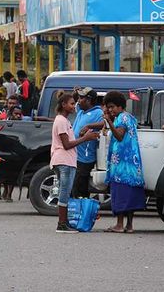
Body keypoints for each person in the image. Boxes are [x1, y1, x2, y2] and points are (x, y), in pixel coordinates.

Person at [50, 93, 99, 233]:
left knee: (66, 192)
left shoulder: (64, 120)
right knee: (64, 192)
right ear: (63, 104)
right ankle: (61, 224)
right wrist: (86, 138)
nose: (74, 106)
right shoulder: (60, 121)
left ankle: (64, 223)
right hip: (64, 161)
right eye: (71, 103)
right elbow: (66, 144)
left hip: (67, 161)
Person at [103, 91, 146, 234]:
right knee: (130, 195)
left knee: (121, 194)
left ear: (120, 106)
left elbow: (120, 136)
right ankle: (129, 225)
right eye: (108, 107)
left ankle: (119, 225)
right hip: (132, 165)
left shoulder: (122, 118)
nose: (110, 110)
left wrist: (109, 122)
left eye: (112, 107)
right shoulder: (130, 118)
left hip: (122, 165)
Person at [71, 87, 104, 199]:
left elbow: (105, 123)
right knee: (74, 188)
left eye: (81, 98)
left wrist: (89, 126)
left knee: (80, 188)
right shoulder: (81, 111)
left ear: (89, 100)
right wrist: (76, 92)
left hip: (85, 158)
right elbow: (73, 100)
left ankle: (83, 211)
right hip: (75, 156)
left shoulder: (98, 112)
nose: (79, 100)